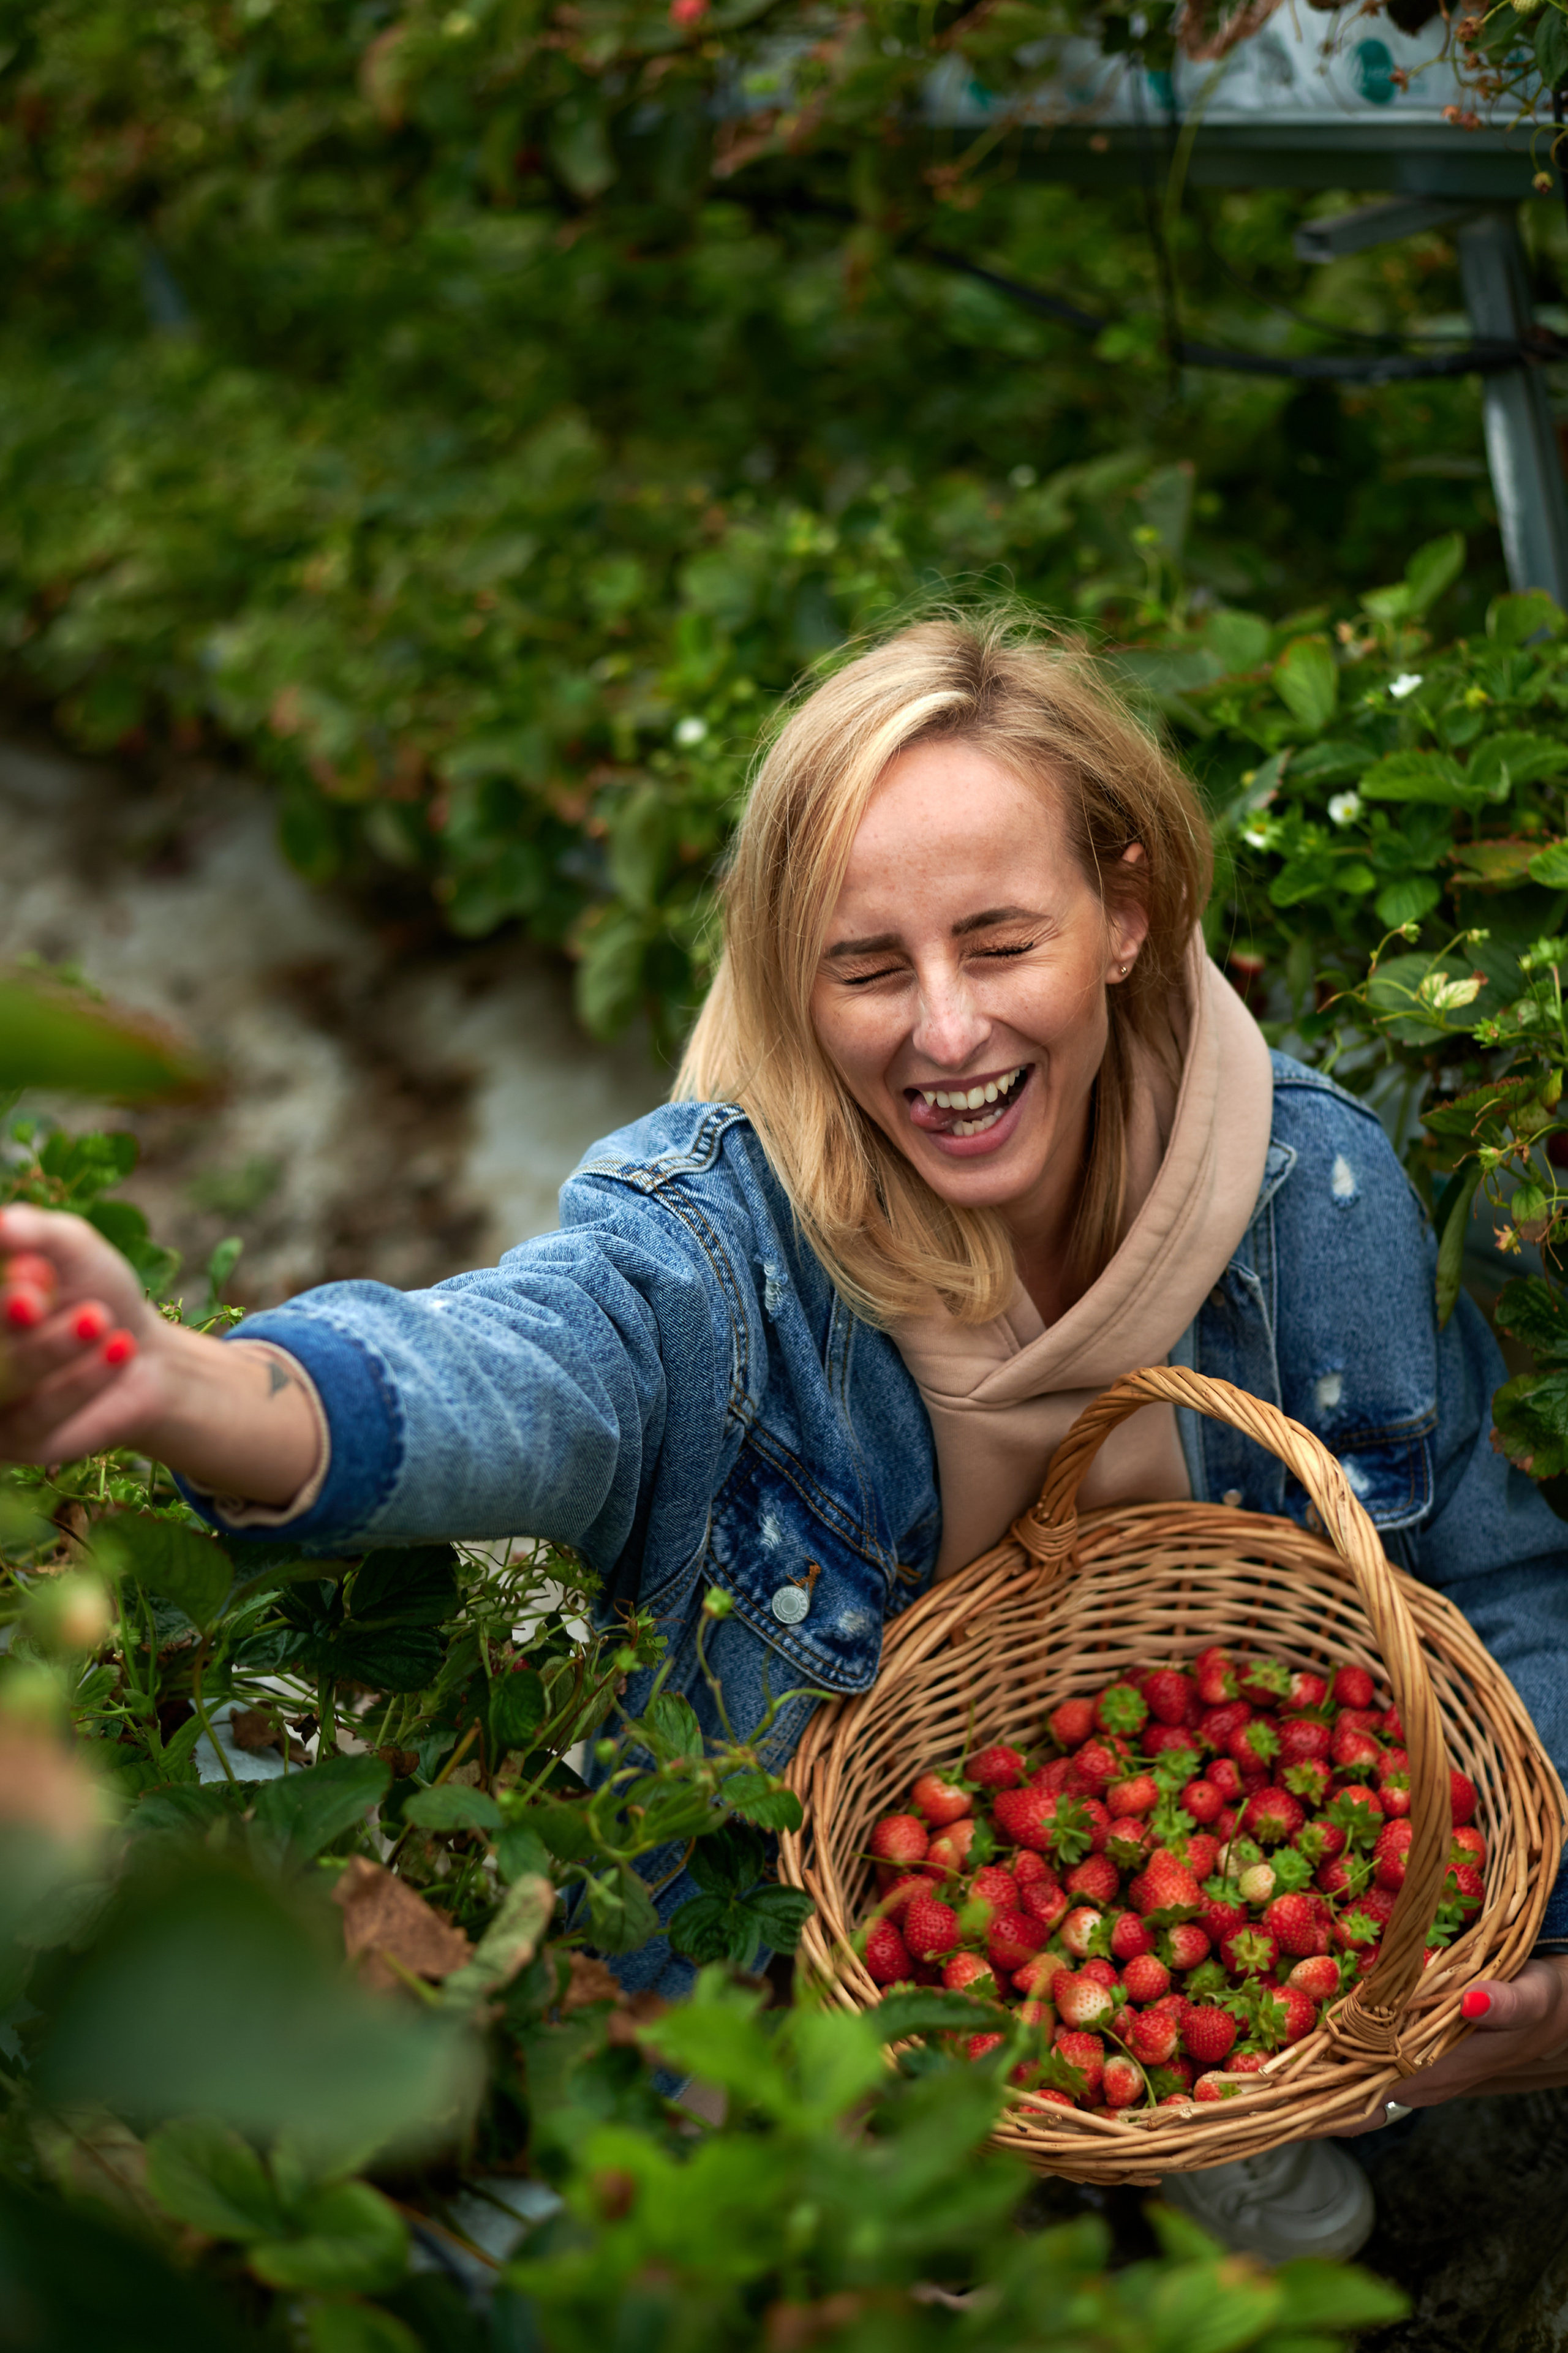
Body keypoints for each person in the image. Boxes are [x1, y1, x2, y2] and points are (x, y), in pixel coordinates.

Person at [4, 611, 1568, 2259]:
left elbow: (1491, 1574)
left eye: (1001, 940)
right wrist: (179, 1380)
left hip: (1189, 1884)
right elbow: (516, 1364)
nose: (947, 1032)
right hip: (836, 1932)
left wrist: (1533, 1946)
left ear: (1125, 909)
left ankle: (1192, 2128)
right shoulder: (717, 1249)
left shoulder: (1312, 1198)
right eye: (868, 967)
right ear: (789, 978)